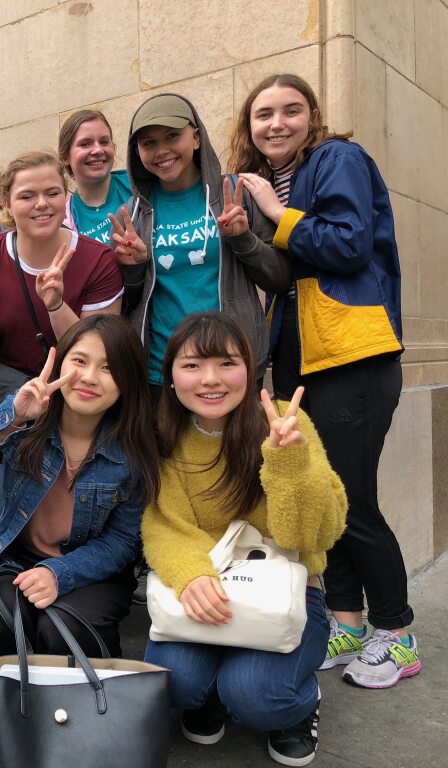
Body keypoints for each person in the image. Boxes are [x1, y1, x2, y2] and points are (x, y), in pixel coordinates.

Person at [230, 74, 416, 688]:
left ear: (312, 115)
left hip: (353, 355)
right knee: (322, 492)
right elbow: (286, 275)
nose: (276, 123)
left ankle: (396, 633)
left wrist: (279, 214)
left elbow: (349, 244)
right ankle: (347, 621)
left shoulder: (338, 158)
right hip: (305, 358)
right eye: (263, 115)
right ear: (249, 125)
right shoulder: (267, 183)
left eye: (290, 110)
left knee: (354, 499)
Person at [142, 312, 347, 767]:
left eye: (226, 364)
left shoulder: (285, 424)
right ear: (171, 377)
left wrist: (289, 463)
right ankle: (211, 692)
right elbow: (164, 523)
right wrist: (190, 574)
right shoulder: (167, 435)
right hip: (207, 587)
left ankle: (299, 703)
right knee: (172, 682)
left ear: (250, 369)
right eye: (192, 366)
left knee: (257, 696)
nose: (210, 380)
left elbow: (317, 534)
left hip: (285, 590)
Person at [0, 316, 159, 660]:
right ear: (60, 364)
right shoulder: (27, 421)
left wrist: (59, 573)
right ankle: (14, 706)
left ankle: (85, 706)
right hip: (14, 555)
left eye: (108, 368)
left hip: (92, 567)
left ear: (127, 381)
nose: (89, 377)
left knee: (64, 626)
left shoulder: (133, 450)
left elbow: (122, 543)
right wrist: (12, 415)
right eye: (79, 361)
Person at [107, 94, 289, 400]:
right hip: (159, 374)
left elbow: (280, 278)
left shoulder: (237, 194)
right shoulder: (134, 213)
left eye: (172, 136)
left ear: (195, 138)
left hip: (232, 367)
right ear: (136, 152)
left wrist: (243, 239)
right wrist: (134, 268)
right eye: (148, 143)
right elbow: (129, 303)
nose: (161, 150)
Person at [0, 151, 123, 390]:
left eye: (52, 193)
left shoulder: (98, 260)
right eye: (27, 196)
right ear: (7, 203)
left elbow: (96, 354)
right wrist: (6, 399)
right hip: (10, 398)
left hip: (81, 392)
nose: (42, 204)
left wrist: (56, 306)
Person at [58, 108, 132, 245]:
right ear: (65, 157)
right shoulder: (64, 219)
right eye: (85, 144)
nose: (98, 150)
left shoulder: (136, 184)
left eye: (104, 142)